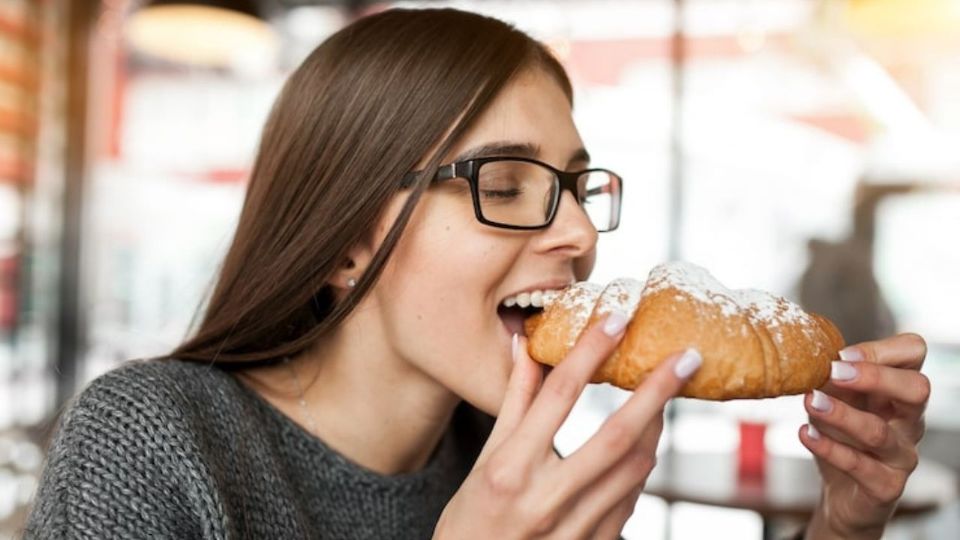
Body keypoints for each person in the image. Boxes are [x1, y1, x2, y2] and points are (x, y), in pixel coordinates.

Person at [23, 8, 930, 539]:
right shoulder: (152, 442)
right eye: (504, 183)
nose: (576, 230)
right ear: (344, 241)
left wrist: (841, 530)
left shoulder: (523, 469)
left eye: (577, 185)